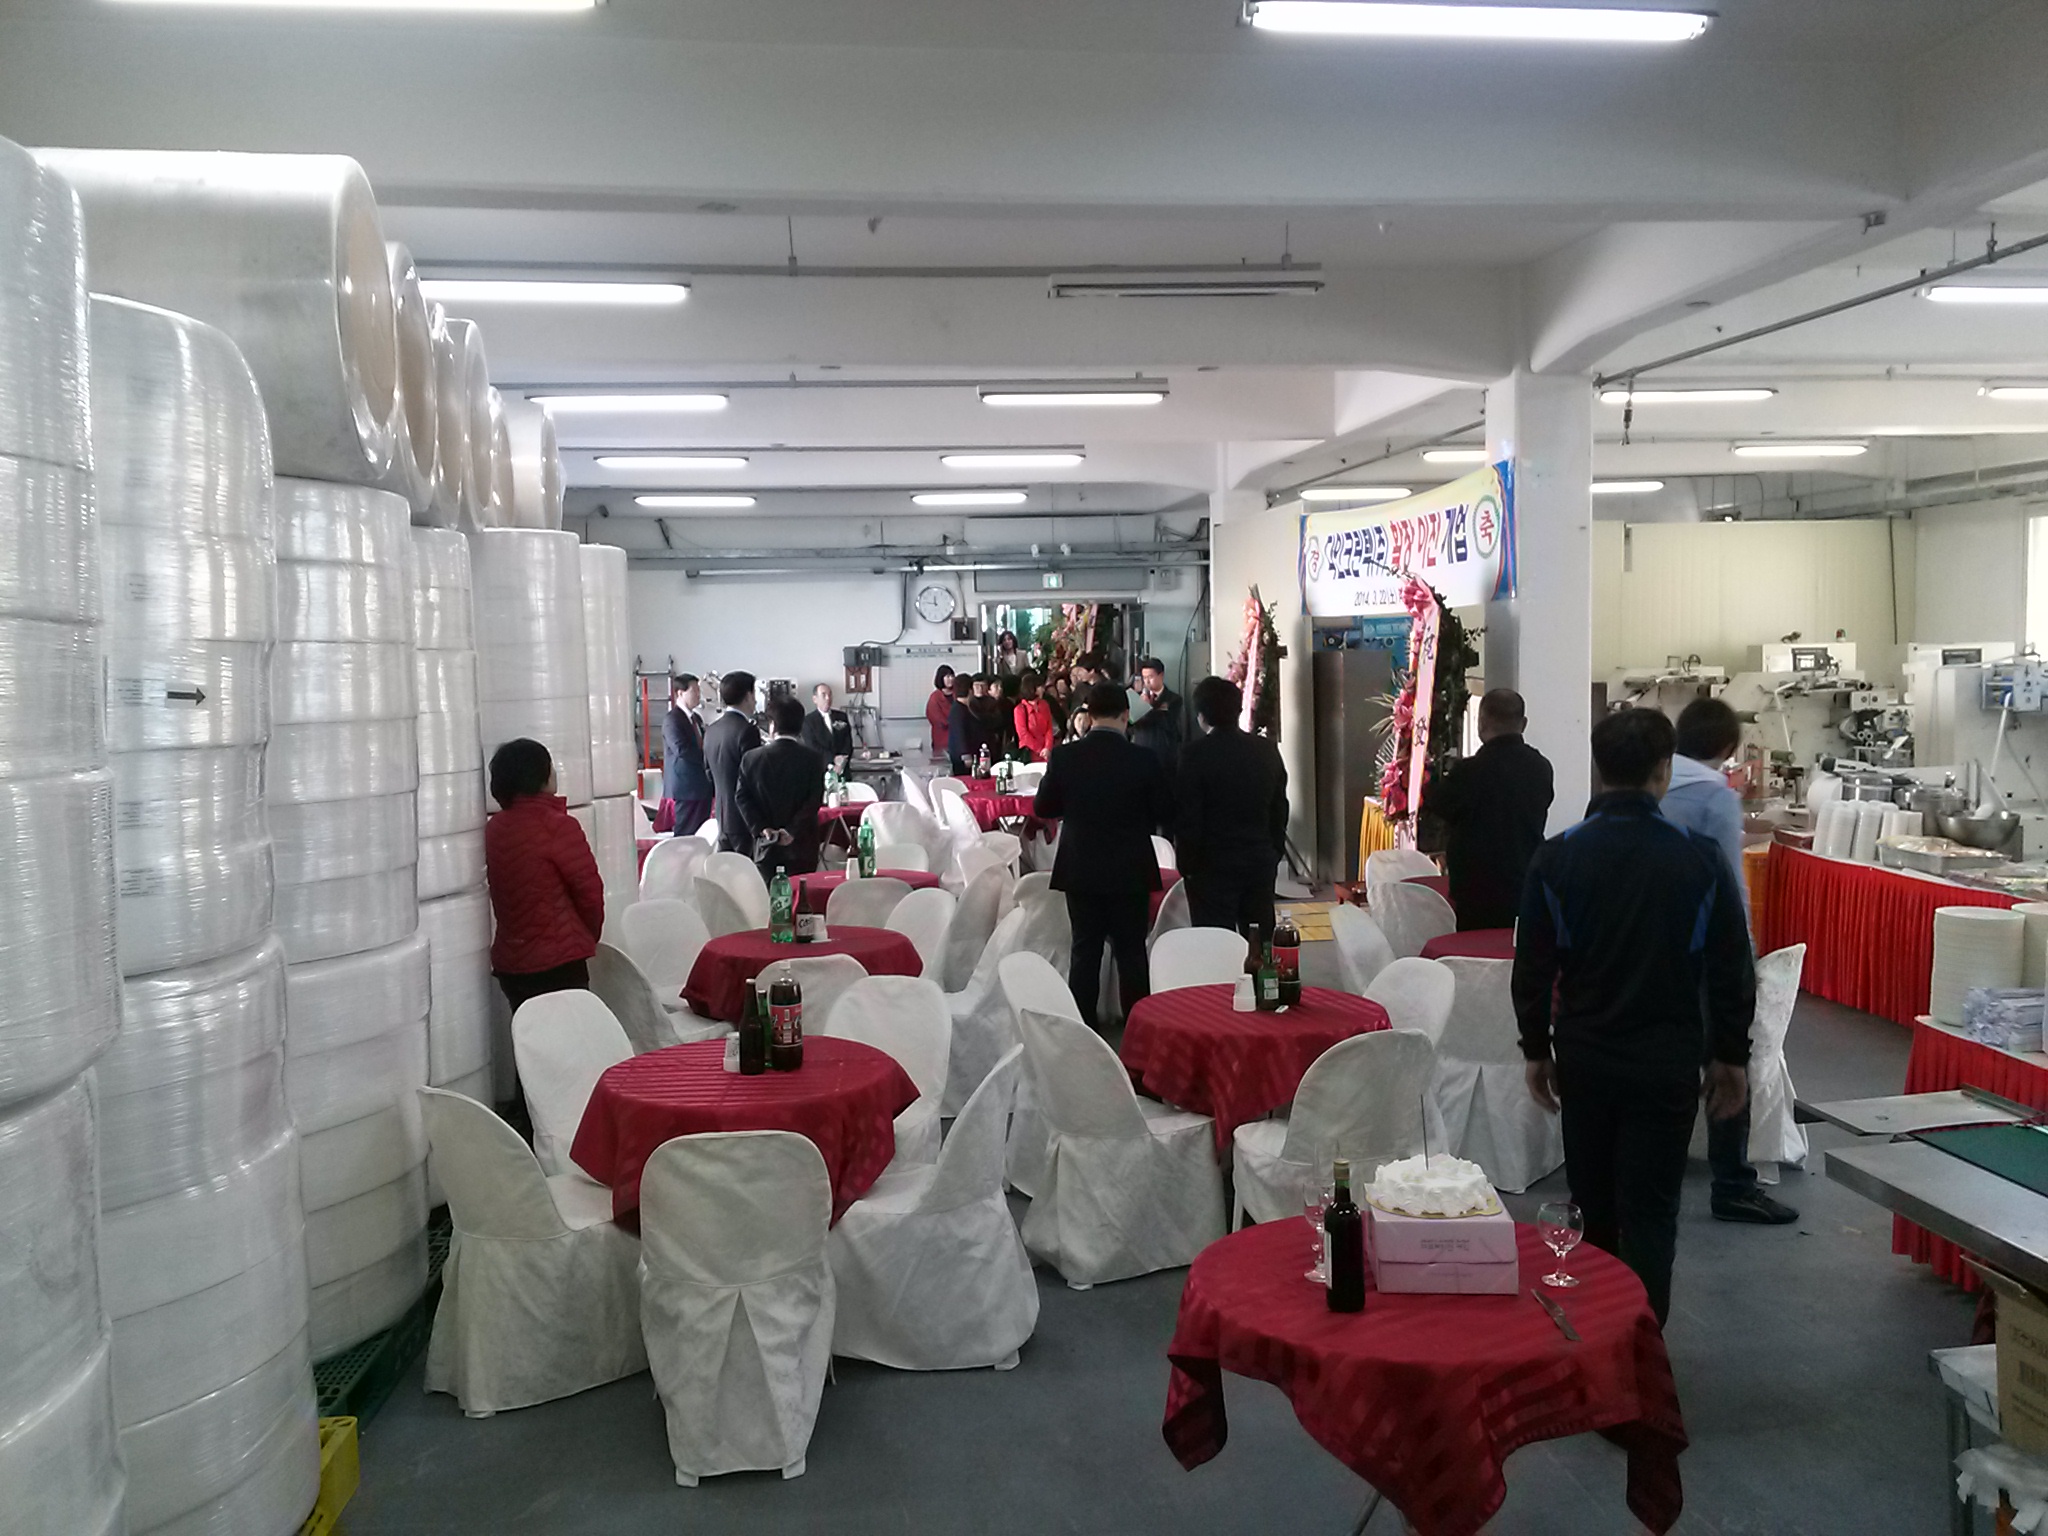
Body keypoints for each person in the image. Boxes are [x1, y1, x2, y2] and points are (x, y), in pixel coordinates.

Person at [1513, 708, 1755, 1325]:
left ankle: (1597, 1340)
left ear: (1599, 769)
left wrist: (1536, 1049)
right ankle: (1643, 1350)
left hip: (1585, 1057)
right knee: (1652, 1213)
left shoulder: (1557, 857)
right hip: (1667, 1062)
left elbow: (1533, 966)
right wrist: (1731, 1056)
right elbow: (1730, 966)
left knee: (1591, 1205)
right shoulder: (1700, 859)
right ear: (1663, 770)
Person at [1662, 697, 1793, 1226]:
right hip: (1708, 947)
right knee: (1727, 1058)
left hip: (1657, 946)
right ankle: (1733, 1183)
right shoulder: (1713, 795)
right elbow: (1728, 882)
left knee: (1670, 1057)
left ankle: (1662, 1170)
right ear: (1727, 745)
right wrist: (1745, 949)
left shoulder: (1655, 784)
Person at [1034, 682, 1175, 1028]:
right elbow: (1165, 810)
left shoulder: (1065, 757)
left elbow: (1043, 807)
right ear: (1126, 716)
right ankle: (1139, 1030)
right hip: (1130, 867)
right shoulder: (1143, 758)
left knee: (1085, 951)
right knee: (1132, 953)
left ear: (1089, 715)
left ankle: (1083, 1029)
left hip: (1081, 866)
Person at [483, 738, 604, 1014]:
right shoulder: (559, 827)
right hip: (558, 964)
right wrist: (586, 937)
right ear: (541, 775)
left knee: (531, 1037)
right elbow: (590, 894)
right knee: (572, 1035)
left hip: (511, 964)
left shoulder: (494, 828)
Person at [1419, 688, 1554, 931]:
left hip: (1476, 888)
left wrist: (1428, 777)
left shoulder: (1468, 772)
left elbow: (1438, 804)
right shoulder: (1541, 767)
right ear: (1523, 723)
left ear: (1481, 723)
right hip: (1526, 880)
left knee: (1476, 949)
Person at [1176, 676, 1288, 935]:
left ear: (1201, 715)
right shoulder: (1266, 750)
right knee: (1259, 936)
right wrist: (1274, 851)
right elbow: (1279, 808)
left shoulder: (1193, 755)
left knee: (1216, 939)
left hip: (1211, 866)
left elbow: (1189, 816)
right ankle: (1262, 964)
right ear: (1239, 710)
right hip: (1259, 859)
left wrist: (1187, 864)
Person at [737, 696, 828, 877]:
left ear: (772, 725)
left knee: (768, 891)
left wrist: (762, 827)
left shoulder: (752, 758)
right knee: (802, 891)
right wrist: (791, 831)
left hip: (766, 845)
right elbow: (814, 800)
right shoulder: (814, 759)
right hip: (802, 845)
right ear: (800, 726)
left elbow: (742, 797)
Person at [703, 670, 763, 855]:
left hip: (721, 814)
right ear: (748, 696)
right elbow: (754, 777)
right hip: (745, 817)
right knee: (746, 869)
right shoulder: (747, 731)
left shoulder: (711, 730)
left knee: (725, 868)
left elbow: (708, 772)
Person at [660, 674, 712, 836]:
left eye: (699, 691)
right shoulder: (673, 719)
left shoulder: (696, 718)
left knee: (701, 835)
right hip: (686, 788)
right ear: (680, 693)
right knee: (685, 835)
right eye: (694, 691)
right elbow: (681, 749)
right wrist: (707, 759)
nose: (698, 695)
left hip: (701, 786)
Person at [1129, 656, 1189, 779]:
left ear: (1161, 675)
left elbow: (1172, 725)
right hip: (1141, 752)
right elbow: (1130, 726)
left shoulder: (1173, 699)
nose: (1147, 681)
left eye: (1150, 677)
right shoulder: (1137, 698)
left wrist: (1148, 708)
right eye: (1144, 677)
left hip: (1164, 756)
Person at [801, 681, 854, 765]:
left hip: (843, 765)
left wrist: (842, 760)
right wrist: (833, 759)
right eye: (823, 695)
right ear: (815, 699)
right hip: (821, 765)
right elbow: (812, 746)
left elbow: (847, 741)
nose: (828, 698)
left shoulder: (841, 716)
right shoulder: (808, 721)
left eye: (829, 695)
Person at [1013, 671, 1056, 761]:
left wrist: (1047, 747)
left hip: (1046, 752)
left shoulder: (1044, 705)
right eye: (1040, 687)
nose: (1043, 689)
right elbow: (1023, 734)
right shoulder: (1019, 710)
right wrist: (1040, 749)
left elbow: (1049, 728)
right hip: (1030, 752)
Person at [946, 671, 983, 775]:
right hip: (963, 758)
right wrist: (965, 754)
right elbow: (959, 733)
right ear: (970, 690)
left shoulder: (961, 708)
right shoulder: (959, 710)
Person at [925, 665, 956, 760]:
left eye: (952, 676)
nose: (950, 679)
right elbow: (936, 718)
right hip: (942, 738)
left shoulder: (958, 693)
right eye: (947, 676)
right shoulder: (935, 697)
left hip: (959, 738)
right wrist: (954, 722)